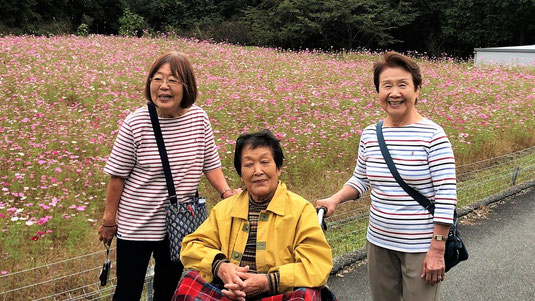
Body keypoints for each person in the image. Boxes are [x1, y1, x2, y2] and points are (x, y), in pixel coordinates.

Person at [97, 51, 241, 301]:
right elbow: (117, 177)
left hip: (179, 226)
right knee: (127, 291)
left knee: (169, 289)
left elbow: (210, 164)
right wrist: (110, 220)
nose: (164, 86)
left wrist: (226, 192)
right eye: (157, 79)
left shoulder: (199, 119)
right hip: (136, 227)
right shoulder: (135, 123)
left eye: (173, 80)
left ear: (187, 86)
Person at [316, 51, 457, 301]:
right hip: (379, 242)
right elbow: (361, 179)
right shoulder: (371, 134)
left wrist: (437, 248)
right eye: (387, 86)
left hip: (421, 247)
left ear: (417, 90)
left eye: (403, 85)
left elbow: (446, 196)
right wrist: (335, 199)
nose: (394, 93)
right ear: (378, 92)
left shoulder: (433, 136)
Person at [174, 130, 333, 301]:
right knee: (188, 283)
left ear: (278, 168)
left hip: (279, 292)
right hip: (229, 290)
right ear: (241, 174)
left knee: (305, 296)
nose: (257, 171)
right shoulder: (224, 209)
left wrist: (268, 281)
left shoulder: (301, 210)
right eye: (248, 165)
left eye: (265, 162)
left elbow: (318, 265)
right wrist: (221, 267)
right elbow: (191, 246)